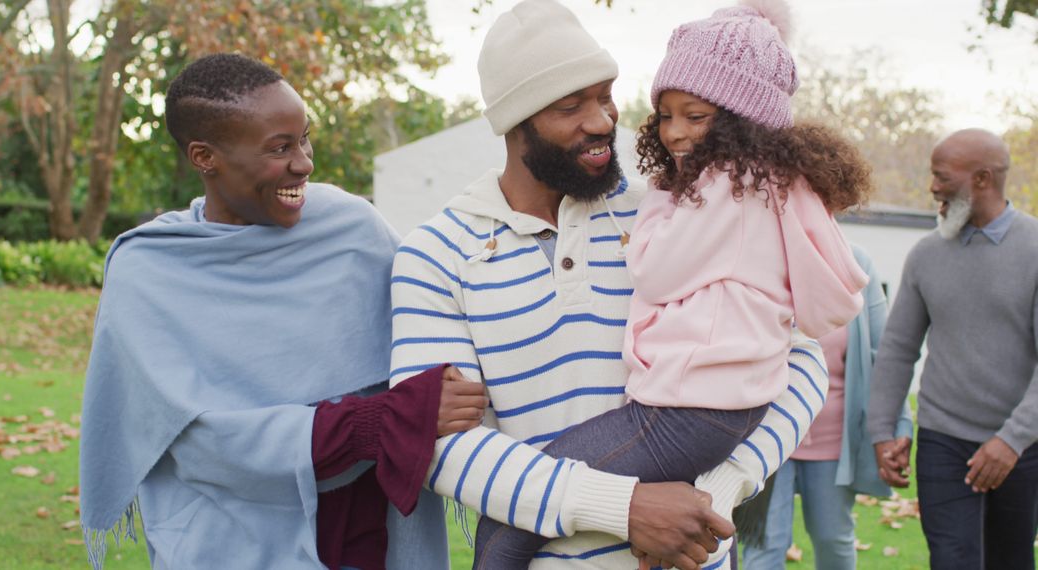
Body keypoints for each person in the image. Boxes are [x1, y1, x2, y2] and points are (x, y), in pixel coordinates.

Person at [388, 1, 832, 568]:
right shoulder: (436, 254)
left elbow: (800, 363)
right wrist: (622, 507)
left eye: (606, 96)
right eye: (571, 105)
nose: (601, 121)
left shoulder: (675, 217)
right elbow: (439, 446)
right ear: (515, 120)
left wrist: (716, 492)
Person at [78, 53, 487, 570]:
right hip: (227, 541)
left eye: (304, 138)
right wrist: (378, 422)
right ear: (205, 156)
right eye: (280, 147)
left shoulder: (353, 229)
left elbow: (439, 332)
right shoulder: (148, 270)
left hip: (363, 533)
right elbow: (200, 444)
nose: (305, 162)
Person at [866, 128, 1038, 569]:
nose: (933, 187)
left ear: (981, 179)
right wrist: (884, 430)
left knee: (1010, 560)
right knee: (951, 559)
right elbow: (899, 348)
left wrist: (1011, 441)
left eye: (941, 176)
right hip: (944, 439)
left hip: (1023, 446)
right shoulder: (926, 254)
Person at [742, 244, 913, 570]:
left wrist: (900, 425)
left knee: (833, 540)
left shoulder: (856, 263)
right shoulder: (760, 252)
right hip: (768, 438)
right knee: (764, 549)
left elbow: (884, 356)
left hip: (833, 444)